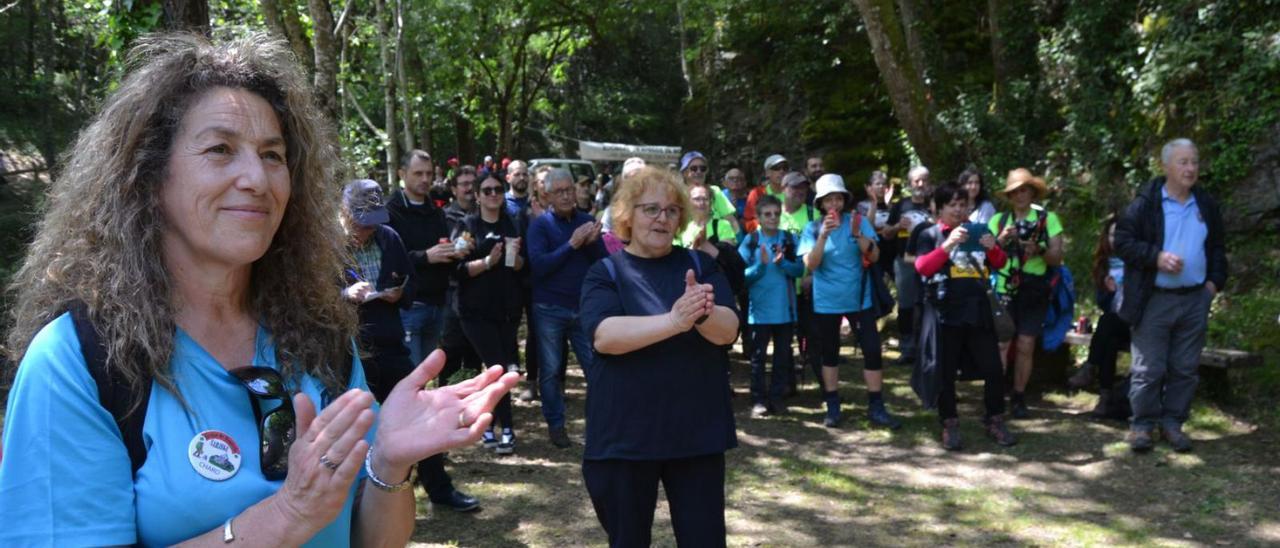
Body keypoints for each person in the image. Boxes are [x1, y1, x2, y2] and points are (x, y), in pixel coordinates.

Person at [0, 32, 516, 546]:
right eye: (221, 149)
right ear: (149, 177)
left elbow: (371, 540)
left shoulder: (319, 338)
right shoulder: (79, 363)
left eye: (272, 155)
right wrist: (287, 514)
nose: (257, 178)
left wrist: (389, 461)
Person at [579, 166, 739, 547]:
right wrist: (673, 320)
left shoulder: (701, 266)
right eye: (651, 209)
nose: (662, 218)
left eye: (670, 211)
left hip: (696, 434)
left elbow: (728, 329)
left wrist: (701, 312)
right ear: (627, 216)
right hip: (625, 438)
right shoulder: (606, 272)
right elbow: (605, 336)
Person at [1114, 139, 1227, 453]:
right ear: (1166, 166)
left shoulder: (1205, 204)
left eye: (1194, 162)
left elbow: (1218, 248)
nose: (1190, 168)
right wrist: (1156, 257)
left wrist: (1213, 285)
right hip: (1154, 297)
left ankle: (1173, 423)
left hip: (1194, 298)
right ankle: (1141, 425)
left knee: (1185, 367)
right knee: (1148, 368)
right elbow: (1122, 241)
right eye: (1183, 162)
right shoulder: (1146, 203)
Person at [385, 153, 483, 512]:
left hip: (437, 306)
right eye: (418, 173)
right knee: (410, 397)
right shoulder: (388, 211)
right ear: (401, 174)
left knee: (425, 396)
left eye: (429, 173)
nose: (425, 180)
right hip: (404, 313)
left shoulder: (435, 210)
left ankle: (431, 481)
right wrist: (425, 256)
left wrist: (457, 252)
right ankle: (415, 481)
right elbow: (386, 260)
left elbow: (443, 251)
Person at [912, 182, 1017, 450]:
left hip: (978, 310)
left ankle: (994, 419)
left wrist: (993, 246)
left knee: (993, 368)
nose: (959, 210)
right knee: (946, 372)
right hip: (945, 313)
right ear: (940, 208)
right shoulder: (930, 233)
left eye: (963, 204)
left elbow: (1000, 262)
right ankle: (949, 423)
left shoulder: (978, 231)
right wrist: (947, 245)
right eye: (952, 205)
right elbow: (922, 267)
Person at [799, 174, 900, 429]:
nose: (834, 203)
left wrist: (858, 236)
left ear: (844, 200)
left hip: (859, 300)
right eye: (828, 199)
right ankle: (833, 405)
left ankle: (876, 406)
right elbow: (811, 264)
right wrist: (822, 236)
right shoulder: (811, 229)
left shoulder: (859, 222)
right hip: (826, 302)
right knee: (829, 354)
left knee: (872, 352)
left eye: (838, 198)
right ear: (821, 204)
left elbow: (875, 256)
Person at [528, 168, 607, 448]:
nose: (565, 196)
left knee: (595, 367)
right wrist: (572, 245)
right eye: (559, 191)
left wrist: (593, 244)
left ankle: (599, 425)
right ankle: (556, 425)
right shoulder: (540, 225)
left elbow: (602, 262)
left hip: (582, 308)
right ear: (546, 195)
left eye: (569, 190)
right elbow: (539, 267)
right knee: (550, 370)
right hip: (549, 307)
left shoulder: (586, 221)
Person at [453, 170, 526, 455]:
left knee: (505, 367)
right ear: (478, 196)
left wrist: (515, 258)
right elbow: (458, 270)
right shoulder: (468, 226)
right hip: (475, 311)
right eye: (487, 190)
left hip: (507, 310)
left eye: (498, 189)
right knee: (497, 368)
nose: (493, 194)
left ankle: (492, 426)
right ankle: (501, 427)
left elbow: (523, 267)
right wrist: (487, 261)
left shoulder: (513, 223)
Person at [989, 168, 1065, 419]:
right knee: (1001, 343)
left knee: (1026, 343)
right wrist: (1001, 240)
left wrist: (1038, 249)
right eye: (1015, 191)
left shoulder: (1047, 219)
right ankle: (995, 396)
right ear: (1009, 196)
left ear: (1032, 192)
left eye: (1025, 190)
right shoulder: (999, 221)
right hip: (1004, 285)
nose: (1020, 195)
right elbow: (986, 257)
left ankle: (1019, 396)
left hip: (1034, 286)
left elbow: (1057, 258)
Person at [739, 194, 804, 416]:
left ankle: (777, 397)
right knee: (758, 358)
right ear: (758, 217)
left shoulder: (788, 240)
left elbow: (800, 270)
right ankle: (758, 399)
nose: (773, 218)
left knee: (782, 356)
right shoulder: (751, 241)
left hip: (785, 310)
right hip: (758, 312)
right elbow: (741, 277)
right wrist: (760, 265)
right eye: (767, 214)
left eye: (776, 214)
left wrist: (783, 262)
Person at [1068, 214, 1132, 418]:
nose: (1115, 239)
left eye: (1120, 235)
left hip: (1136, 322)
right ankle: (1105, 399)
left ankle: (1090, 367)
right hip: (1115, 324)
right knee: (1109, 338)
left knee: (1106, 323)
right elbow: (1102, 304)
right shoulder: (1104, 264)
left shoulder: (1136, 261)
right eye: (1112, 235)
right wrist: (1111, 292)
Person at [886, 166, 934, 366]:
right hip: (903, 261)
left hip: (930, 261)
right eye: (916, 181)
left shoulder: (934, 205)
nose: (920, 184)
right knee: (906, 305)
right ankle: (907, 349)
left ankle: (927, 349)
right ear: (909, 183)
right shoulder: (900, 205)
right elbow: (886, 233)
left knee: (927, 305)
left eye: (924, 180)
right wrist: (898, 226)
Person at [779, 171, 820, 389]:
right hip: (781, 288)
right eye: (795, 187)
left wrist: (811, 276)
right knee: (783, 340)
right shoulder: (773, 214)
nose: (800, 191)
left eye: (803, 187)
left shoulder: (813, 214)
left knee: (813, 337)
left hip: (807, 287)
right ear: (784, 188)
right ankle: (787, 385)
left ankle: (825, 387)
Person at [680, 150, 740, 233]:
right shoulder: (678, 195)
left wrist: (731, 243)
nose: (699, 172)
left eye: (702, 168)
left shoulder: (715, 191)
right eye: (694, 168)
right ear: (684, 173)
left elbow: (732, 221)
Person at [743, 153, 789, 232]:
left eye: (785, 168)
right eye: (776, 168)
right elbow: (749, 221)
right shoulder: (757, 193)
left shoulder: (795, 192)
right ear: (767, 173)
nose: (782, 171)